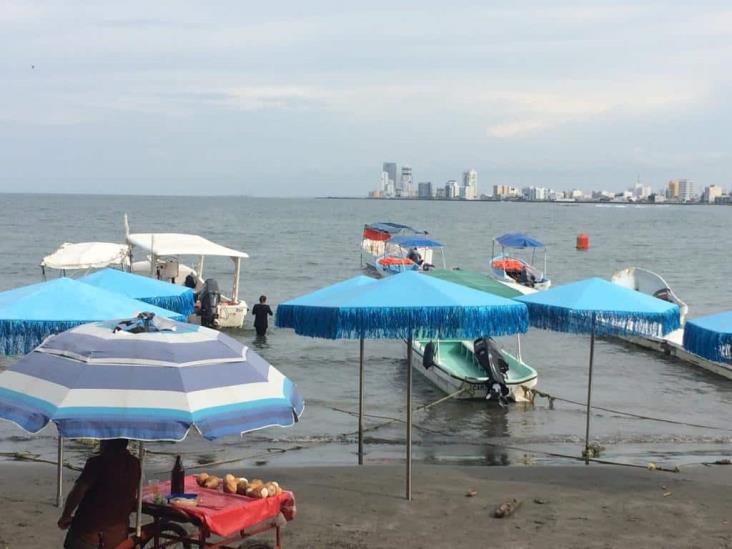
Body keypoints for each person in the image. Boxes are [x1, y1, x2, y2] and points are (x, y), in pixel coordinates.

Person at [58, 439, 141, 549]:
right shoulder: (135, 463)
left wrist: (66, 515)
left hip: (89, 531)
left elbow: (78, 491)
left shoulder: (98, 463)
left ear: (106, 443)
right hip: (118, 534)